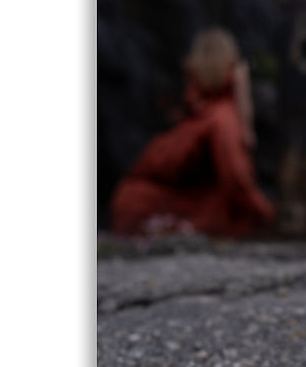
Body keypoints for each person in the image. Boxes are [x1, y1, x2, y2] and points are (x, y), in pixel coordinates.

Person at [111, 28, 275, 236]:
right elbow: (237, 183)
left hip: (135, 208)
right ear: (233, 67)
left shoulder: (195, 109)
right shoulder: (222, 117)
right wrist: (270, 218)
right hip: (158, 212)